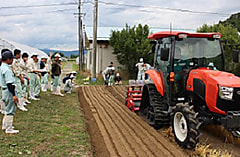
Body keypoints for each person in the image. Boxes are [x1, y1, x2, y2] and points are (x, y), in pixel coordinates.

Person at [0, 50, 19, 134]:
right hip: (8, 91)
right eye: (11, 59)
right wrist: (14, 95)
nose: (12, 60)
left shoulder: (2, 67)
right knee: (10, 110)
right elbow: (10, 84)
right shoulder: (7, 70)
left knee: (7, 109)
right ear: (8, 59)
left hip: (3, 91)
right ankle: (9, 128)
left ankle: (5, 125)